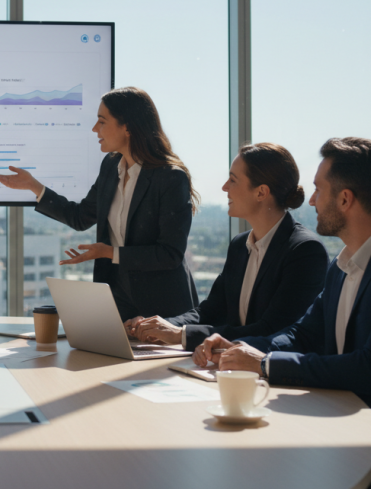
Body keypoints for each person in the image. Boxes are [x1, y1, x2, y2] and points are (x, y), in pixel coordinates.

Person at [195, 137, 371, 489]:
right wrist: (239, 348)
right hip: (347, 425)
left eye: (318, 190)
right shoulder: (342, 264)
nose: (310, 200)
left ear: (345, 199)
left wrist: (264, 364)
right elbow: (302, 334)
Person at [0, 86, 199, 320]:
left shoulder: (170, 177)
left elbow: (169, 254)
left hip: (163, 308)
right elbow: (80, 217)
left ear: (128, 127)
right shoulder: (111, 166)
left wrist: (109, 252)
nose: (94, 129)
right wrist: (34, 186)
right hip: (118, 301)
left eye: (102, 121)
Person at [124, 142, 328, 349]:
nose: (224, 187)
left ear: (261, 193)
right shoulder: (240, 245)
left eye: (233, 180)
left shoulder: (305, 251)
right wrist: (161, 325)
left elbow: (273, 329)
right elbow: (210, 311)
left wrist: (181, 335)